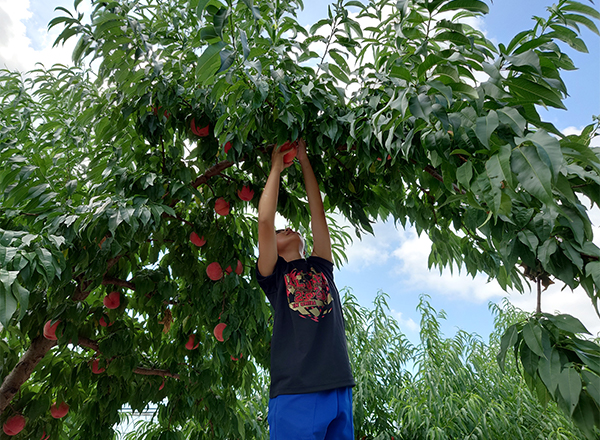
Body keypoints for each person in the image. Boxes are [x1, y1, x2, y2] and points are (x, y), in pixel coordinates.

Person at [256, 139, 355, 440]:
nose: (284, 228)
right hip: (296, 391)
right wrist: (276, 167)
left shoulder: (321, 266)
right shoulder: (274, 276)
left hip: (338, 387)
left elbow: (318, 214)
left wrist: (304, 160)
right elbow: (264, 219)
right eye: (277, 232)